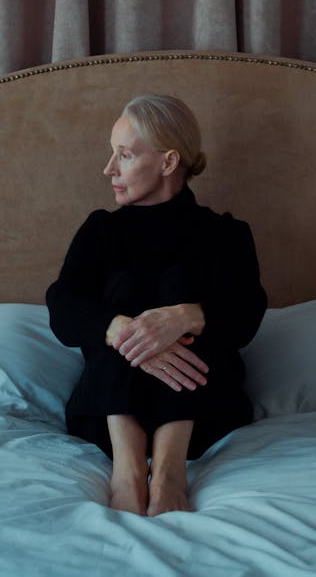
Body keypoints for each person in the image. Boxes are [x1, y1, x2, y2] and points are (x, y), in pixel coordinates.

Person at [45, 93, 267, 517]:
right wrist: (123, 330)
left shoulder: (226, 235)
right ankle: (127, 470)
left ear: (168, 162)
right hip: (106, 411)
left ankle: (168, 471)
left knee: (181, 284)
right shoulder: (101, 231)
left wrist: (187, 317)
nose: (108, 169)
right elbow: (62, 304)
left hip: (205, 412)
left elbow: (248, 312)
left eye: (124, 156)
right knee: (123, 297)